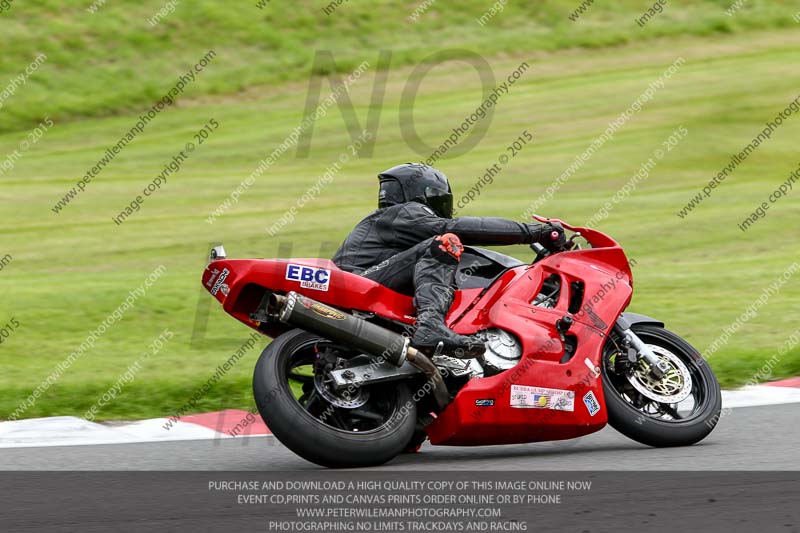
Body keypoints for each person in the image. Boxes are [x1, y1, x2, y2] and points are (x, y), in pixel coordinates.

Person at [332, 163, 566, 357]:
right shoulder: (405, 212)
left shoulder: (388, 223)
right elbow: (454, 227)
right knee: (445, 243)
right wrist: (534, 232)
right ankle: (431, 325)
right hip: (360, 287)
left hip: (360, 290)